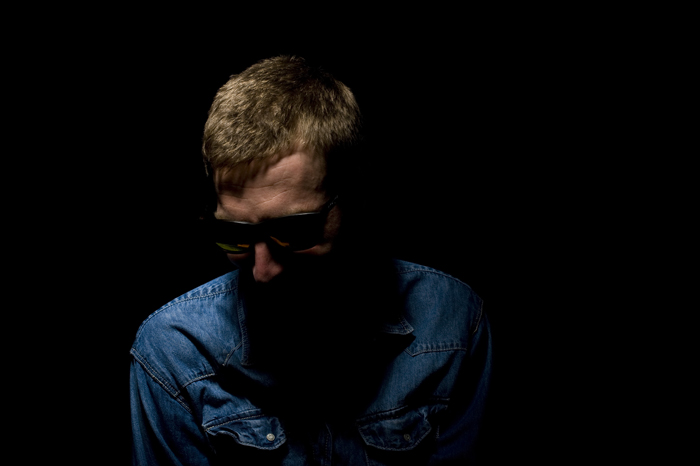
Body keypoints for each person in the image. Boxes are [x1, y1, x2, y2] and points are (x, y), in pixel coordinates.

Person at [130, 55, 492, 465]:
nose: (262, 271)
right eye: (234, 234)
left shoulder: (453, 322)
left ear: (355, 200)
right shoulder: (175, 351)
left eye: (294, 230)